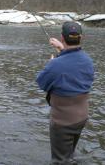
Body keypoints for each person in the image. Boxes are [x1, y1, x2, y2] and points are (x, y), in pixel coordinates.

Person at [36, 21, 95, 164]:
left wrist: (51, 63)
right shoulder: (88, 61)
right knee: (69, 154)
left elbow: (41, 83)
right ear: (81, 38)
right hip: (81, 118)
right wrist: (62, 50)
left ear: (62, 38)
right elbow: (73, 63)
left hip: (63, 122)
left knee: (59, 161)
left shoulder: (55, 65)